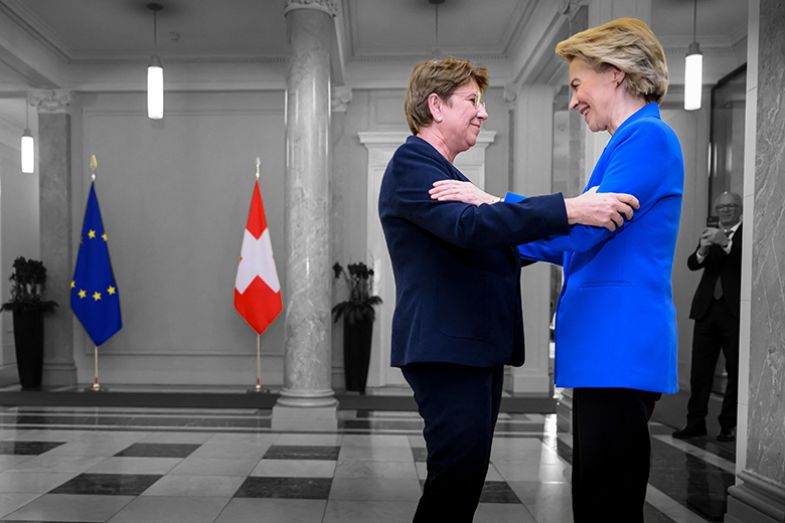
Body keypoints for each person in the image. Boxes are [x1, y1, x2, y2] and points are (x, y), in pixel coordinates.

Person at [430, 19, 683, 523]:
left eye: (576, 84)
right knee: (595, 497)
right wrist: (489, 240)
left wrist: (493, 206)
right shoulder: (625, 142)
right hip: (605, 349)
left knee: (607, 503)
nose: (573, 100)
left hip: (619, 346)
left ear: (614, 73)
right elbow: (578, 235)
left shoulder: (647, 138)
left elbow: (586, 229)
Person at [378, 57, 640, 522]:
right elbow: (471, 228)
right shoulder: (412, 164)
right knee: (453, 481)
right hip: (447, 349)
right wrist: (571, 211)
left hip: (469, 348)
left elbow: (493, 239)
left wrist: (566, 242)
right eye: (473, 101)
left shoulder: (449, 173)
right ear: (435, 106)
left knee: (463, 479)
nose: (483, 112)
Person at [673, 192, 742, 442]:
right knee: (700, 370)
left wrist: (725, 243)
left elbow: (743, 259)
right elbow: (693, 264)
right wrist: (702, 249)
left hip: (734, 311)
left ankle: (728, 425)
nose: (725, 210)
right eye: (721, 207)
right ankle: (695, 422)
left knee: (735, 369)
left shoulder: (745, 233)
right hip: (706, 309)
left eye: (731, 206)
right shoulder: (709, 233)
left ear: (739, 209)